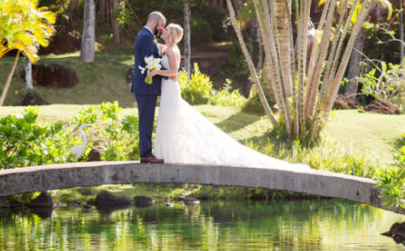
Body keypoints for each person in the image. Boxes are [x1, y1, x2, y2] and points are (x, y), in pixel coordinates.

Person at [148, 23, 307, 170]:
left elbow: (174, 73)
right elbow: (160, 49)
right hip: (168, 89)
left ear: (172, 34)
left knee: (170, 120)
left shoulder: (171, 50)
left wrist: (156, 71)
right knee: (169, 120)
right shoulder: (168, 48)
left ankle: (169, 155)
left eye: (167, 29)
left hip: (170, 88)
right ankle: (168, 155)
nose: (164, 30)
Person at [132, 12, 170, 164]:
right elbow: (151, 61)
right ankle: (146, 154)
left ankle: (146, 153)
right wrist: (169, 74)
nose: (161, 29)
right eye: (161, 25)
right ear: (154, 22)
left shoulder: (145, 35)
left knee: (146, 120)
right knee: (146, 121)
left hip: (144, 87)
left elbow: (152, 56)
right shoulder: (147, 37)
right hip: (146, 87)